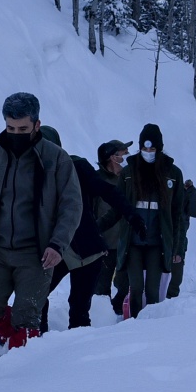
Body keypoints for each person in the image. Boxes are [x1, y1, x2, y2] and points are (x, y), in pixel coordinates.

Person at [0, 93, 81, 349]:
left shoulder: (56, 158)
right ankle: (9, 334)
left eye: (23, 128)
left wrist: (58, 244)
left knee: (27, 316)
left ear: (36, 125)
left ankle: (21, 370)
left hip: (37, 253)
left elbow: (71, 205)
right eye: (10, 128)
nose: (16, 133)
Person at [36, 128, 141, 330]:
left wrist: (130, 214)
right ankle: (39, 340)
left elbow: (106, 191)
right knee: (37, 294)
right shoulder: (30, 171)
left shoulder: (76, 166)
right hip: (54, 249)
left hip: (86, 249)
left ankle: (81, 353)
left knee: (79, 308)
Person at [117, 123, 189, 318]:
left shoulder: (172, 174)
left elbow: (178, 215)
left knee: (152, 290)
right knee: (136, 287)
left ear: (159, 148)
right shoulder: (128, 172)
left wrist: (177, 248)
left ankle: (150, 329)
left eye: (152, 149)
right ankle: (132, 324)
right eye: (144, 148)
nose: (148, 152)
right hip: (133, 242)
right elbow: (118, 207)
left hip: (157, 243)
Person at [95, 140, 134, 315]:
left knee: (126, 286)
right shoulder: (95, 181)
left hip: (127, 245)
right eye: (124, 153)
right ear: (113, 157)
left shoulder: (129, 179)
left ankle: (119, 316)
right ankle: (102, 320)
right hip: (103, 247)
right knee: (100, 291)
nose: (127, 156)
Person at [166, 178, 196, 298]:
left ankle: (168, 307)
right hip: (159, 242)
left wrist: (191, 191)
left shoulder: (185, 194)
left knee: (174, 281)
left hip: (179, 243)